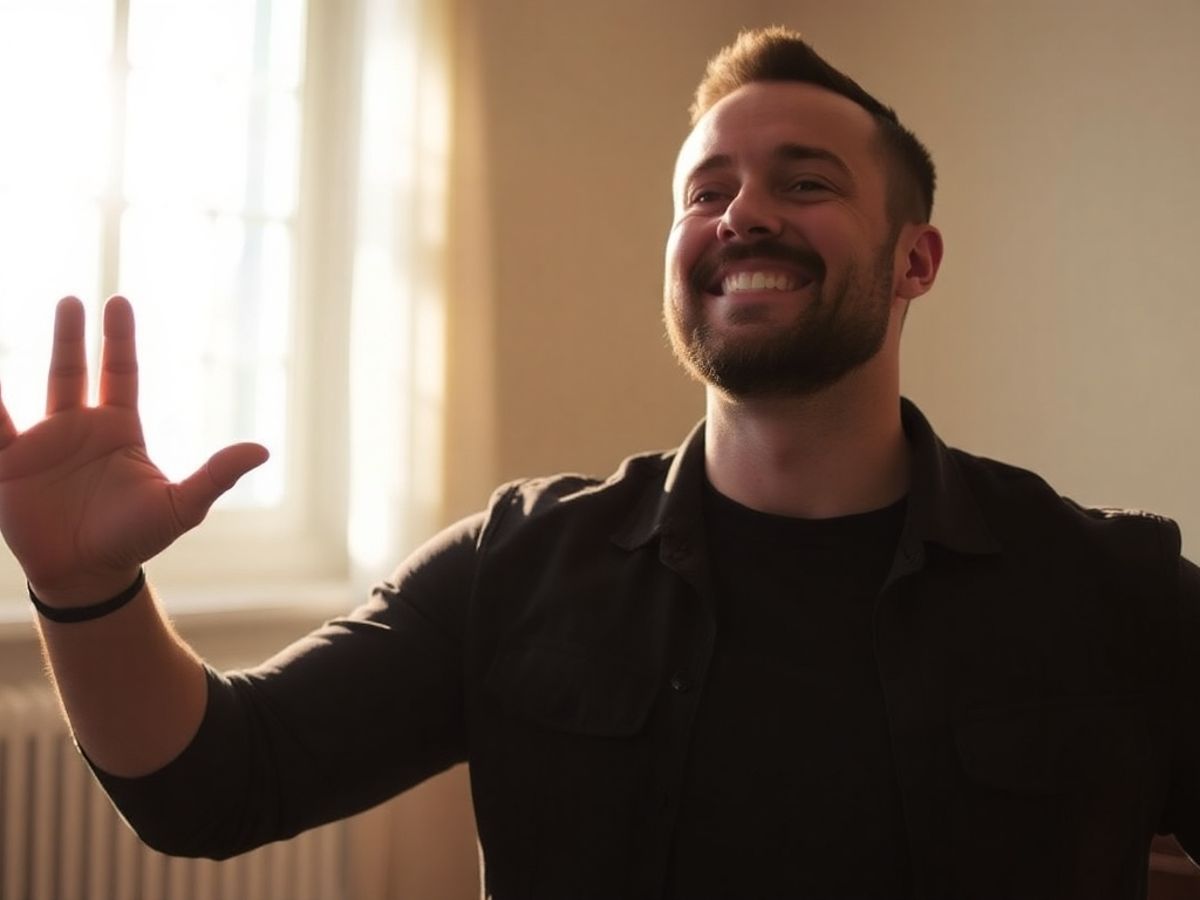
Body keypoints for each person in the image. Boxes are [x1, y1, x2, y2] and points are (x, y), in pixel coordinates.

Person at [4, 26, 1198, 900]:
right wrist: (83, 589)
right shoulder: (518, 567)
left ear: (916, 259)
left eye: (806, 182)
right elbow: (217, 783)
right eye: (707, 190)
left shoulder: (1108, 587)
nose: (741, 214)